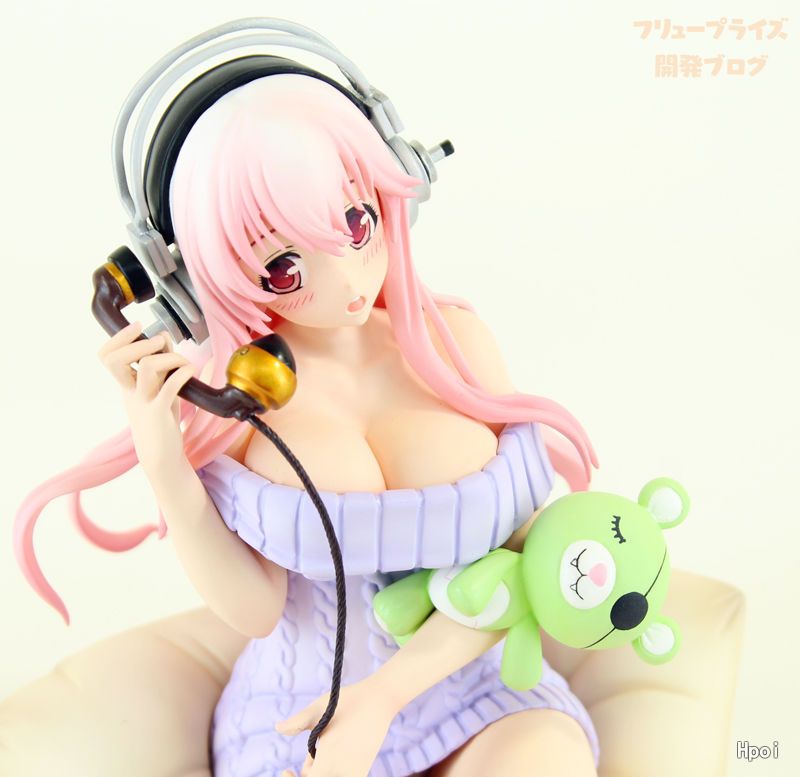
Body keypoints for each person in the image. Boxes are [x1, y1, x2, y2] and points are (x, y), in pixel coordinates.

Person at [12, 27, 600, 777]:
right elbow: (257, 611)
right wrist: (163, 459)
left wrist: (382, 699)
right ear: (189, 282)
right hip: (299, 717)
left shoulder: (456, 342)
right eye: (284, 266)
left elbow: (520, 557)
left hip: (482, 692)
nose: (347, 278)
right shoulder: (239, 400)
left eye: (356, 223)